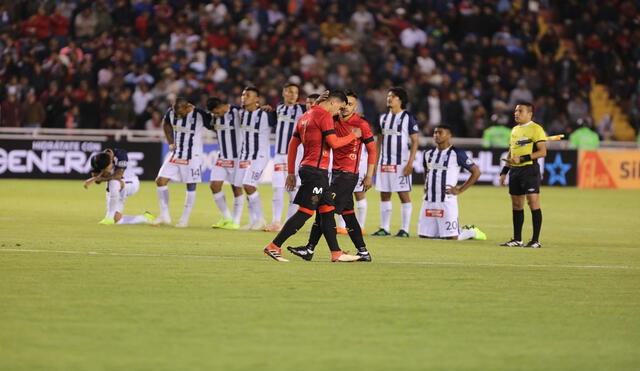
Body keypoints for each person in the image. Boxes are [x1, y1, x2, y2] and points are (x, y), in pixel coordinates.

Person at [262, 90, 362, 262]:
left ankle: (336, 252)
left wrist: (292, 172)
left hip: (309, 169)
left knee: (327, 210)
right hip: (316, 172)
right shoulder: (323, 116)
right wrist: (353, 135)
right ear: (332, 102)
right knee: (306, 211)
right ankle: (274, 246)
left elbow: (293, 145)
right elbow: (334, 143)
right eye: (339, 107)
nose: (339, 112)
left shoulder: (306, 115)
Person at [287, 89, 376, 262]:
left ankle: (310, 248)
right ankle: (363, 252)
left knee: (323, 211)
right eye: (344, 104)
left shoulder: (361, 124)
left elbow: (372, 150)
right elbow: (315, 115)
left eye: (350, 104)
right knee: (348, 214)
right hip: (333, 174)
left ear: (355, 106)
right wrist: (317, 103)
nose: (345, 108)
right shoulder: (331, 119)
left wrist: (370, 175)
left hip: (348, 175)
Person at [418, 125, 486, 240]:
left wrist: (459, 190)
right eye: (435, 133)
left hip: (446, 200)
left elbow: (476, 172)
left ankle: (471, 232)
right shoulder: (428, 154)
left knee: (452, 238)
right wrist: (426, 185)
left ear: (449, 135)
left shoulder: (457, 153)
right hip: (429, 200)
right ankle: (449, 230)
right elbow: (426, 170)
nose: (436, 135)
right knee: (424, 236)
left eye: (440, 133)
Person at [153, 97, 213, 227]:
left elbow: (213, 126)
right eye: (176, 113)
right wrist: (170, 142)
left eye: (181, 113)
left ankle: (184, 219)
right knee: (160, 181)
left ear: (187, 107)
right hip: (176, 154)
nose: (178, 115)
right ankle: (165, 216)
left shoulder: (199, 114)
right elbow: (166, 124)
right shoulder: (171, 112)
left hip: (192, 156)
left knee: (190, 185)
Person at [372, 87, 419, 237]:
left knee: (403, 194)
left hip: (401, 163)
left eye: (392, 96)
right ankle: (384, 228)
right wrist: (374, 163)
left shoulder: (408, 117)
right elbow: (379, 142)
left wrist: (410, 163)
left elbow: (415, 141)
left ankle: (404, 229)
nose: (389, 98)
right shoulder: (382, 118)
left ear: (400, 100)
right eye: (388, 96)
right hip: (384, 163)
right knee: (384, 194)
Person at [499, 102, 547, 248]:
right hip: (515, 170)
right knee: (517, 204)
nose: (516, 113)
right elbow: (511, 152)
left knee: (533, 203)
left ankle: (535, 240)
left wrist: (523, 158)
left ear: (529, 114)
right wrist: (504, 172)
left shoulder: (536, 129)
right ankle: (517, 239)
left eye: (520, 111)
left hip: (529, 170)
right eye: (515, 111)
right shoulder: (514, 130)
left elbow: (542, 152)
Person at [265, 83, 306, 232]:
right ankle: (276, 222)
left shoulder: (303, 109)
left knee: (292, 190)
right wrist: (268, 110)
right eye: (289, 91)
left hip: (295, 156)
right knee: (277, 189)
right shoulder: (279, 109)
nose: (293, 94)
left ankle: (290, 224)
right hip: (279, 155)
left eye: (295, 92)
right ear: (283, 93)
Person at [83, 149, 153, 225]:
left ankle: (108, 218)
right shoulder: (97, 159)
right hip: (113, 189)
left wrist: (98, 177)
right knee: (117, 219)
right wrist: (97, 177)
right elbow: (97, 181)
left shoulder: (121, 155)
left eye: (106, 168)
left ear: (111, 160)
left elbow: (117, 176)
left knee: (114, 182)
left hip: (130, 182)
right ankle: (145, 218)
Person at [236, 86, 271, 230]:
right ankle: (252, 221)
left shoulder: (266, 114)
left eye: (248, 95)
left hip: (259, 156)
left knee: (249, 185)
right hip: (244, 156)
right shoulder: (240, 114)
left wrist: (271, 109)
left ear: (257, 99)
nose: (244, 97)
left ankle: (261, 220)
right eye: (243, 95)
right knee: (247, 188)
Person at [206, 97, 244, 229]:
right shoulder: (214, 117)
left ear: (222, 105)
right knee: (214, 186)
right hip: (222, 157)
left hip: (237, 158)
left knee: (236, 188)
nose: (216, 115)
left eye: (217, 111)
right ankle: (227, 217)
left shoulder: (238, 112)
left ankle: (236, 221)